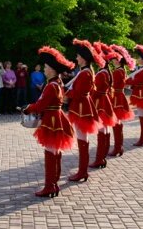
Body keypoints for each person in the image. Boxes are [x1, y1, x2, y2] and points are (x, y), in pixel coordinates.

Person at [24, 46, 76, 198]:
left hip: (51, 120)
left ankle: (50, 186)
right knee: (55, 152)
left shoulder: (51, 85)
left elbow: (41, 105)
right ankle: (53, 183)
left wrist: (27, 109)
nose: (44, 70)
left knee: (50, 153)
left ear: (52, 69)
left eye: (46, 67)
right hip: (57, 118)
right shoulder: (57, 82)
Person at [66, 39, 102, 183]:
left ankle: (82, 171)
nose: (76, 58)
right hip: (82, 107)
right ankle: (82, 170)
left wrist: (65, 94)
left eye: (78, 56)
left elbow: (79, 93)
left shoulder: (85, 73)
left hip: (81, 108)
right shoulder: (85, 72)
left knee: (82, 139)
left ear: (84, 58)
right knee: (82, 138)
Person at [89, 43, 117, 170]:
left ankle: (100, 158)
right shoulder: (106, 72)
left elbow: (96, 90)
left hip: (100, 101)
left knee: (102, 129)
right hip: (105, 101)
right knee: (105, 128)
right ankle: (102, 156)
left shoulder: (102, 73)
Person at [108, 45, 135, 157]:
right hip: (119, 95)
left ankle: (118, 147)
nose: (112, 60)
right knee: (118, 123)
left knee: (116, 123)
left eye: (113, 58)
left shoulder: (118, 71)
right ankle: (119, 147)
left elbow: (113, 85)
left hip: (117, 97)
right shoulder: (121, 70)